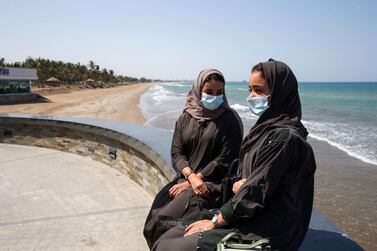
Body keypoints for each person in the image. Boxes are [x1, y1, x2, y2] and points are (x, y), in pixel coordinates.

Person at [152, 59, 317, 251]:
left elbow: (254, 189)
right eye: (250, 90)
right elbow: (257, 180)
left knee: (173, 246)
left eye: (260, 90)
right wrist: (241, 183)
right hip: (248, 212)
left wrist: (214, 222)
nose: (252, 97)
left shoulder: (285, 138)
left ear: (281, 92)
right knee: (169, 229)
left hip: (269, 228)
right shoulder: (265, 130)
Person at [143, 69, 243, 249]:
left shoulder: (230, 120)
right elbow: (177, 152)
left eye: (219, 93)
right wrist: (190, 177)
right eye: (209, 92)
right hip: (186, 179)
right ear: (198, 90)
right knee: (153, 218)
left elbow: (226, 158)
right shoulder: (185, 117)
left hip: (211, 186)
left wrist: (198, 179)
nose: (215, 97)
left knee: (165, 223)